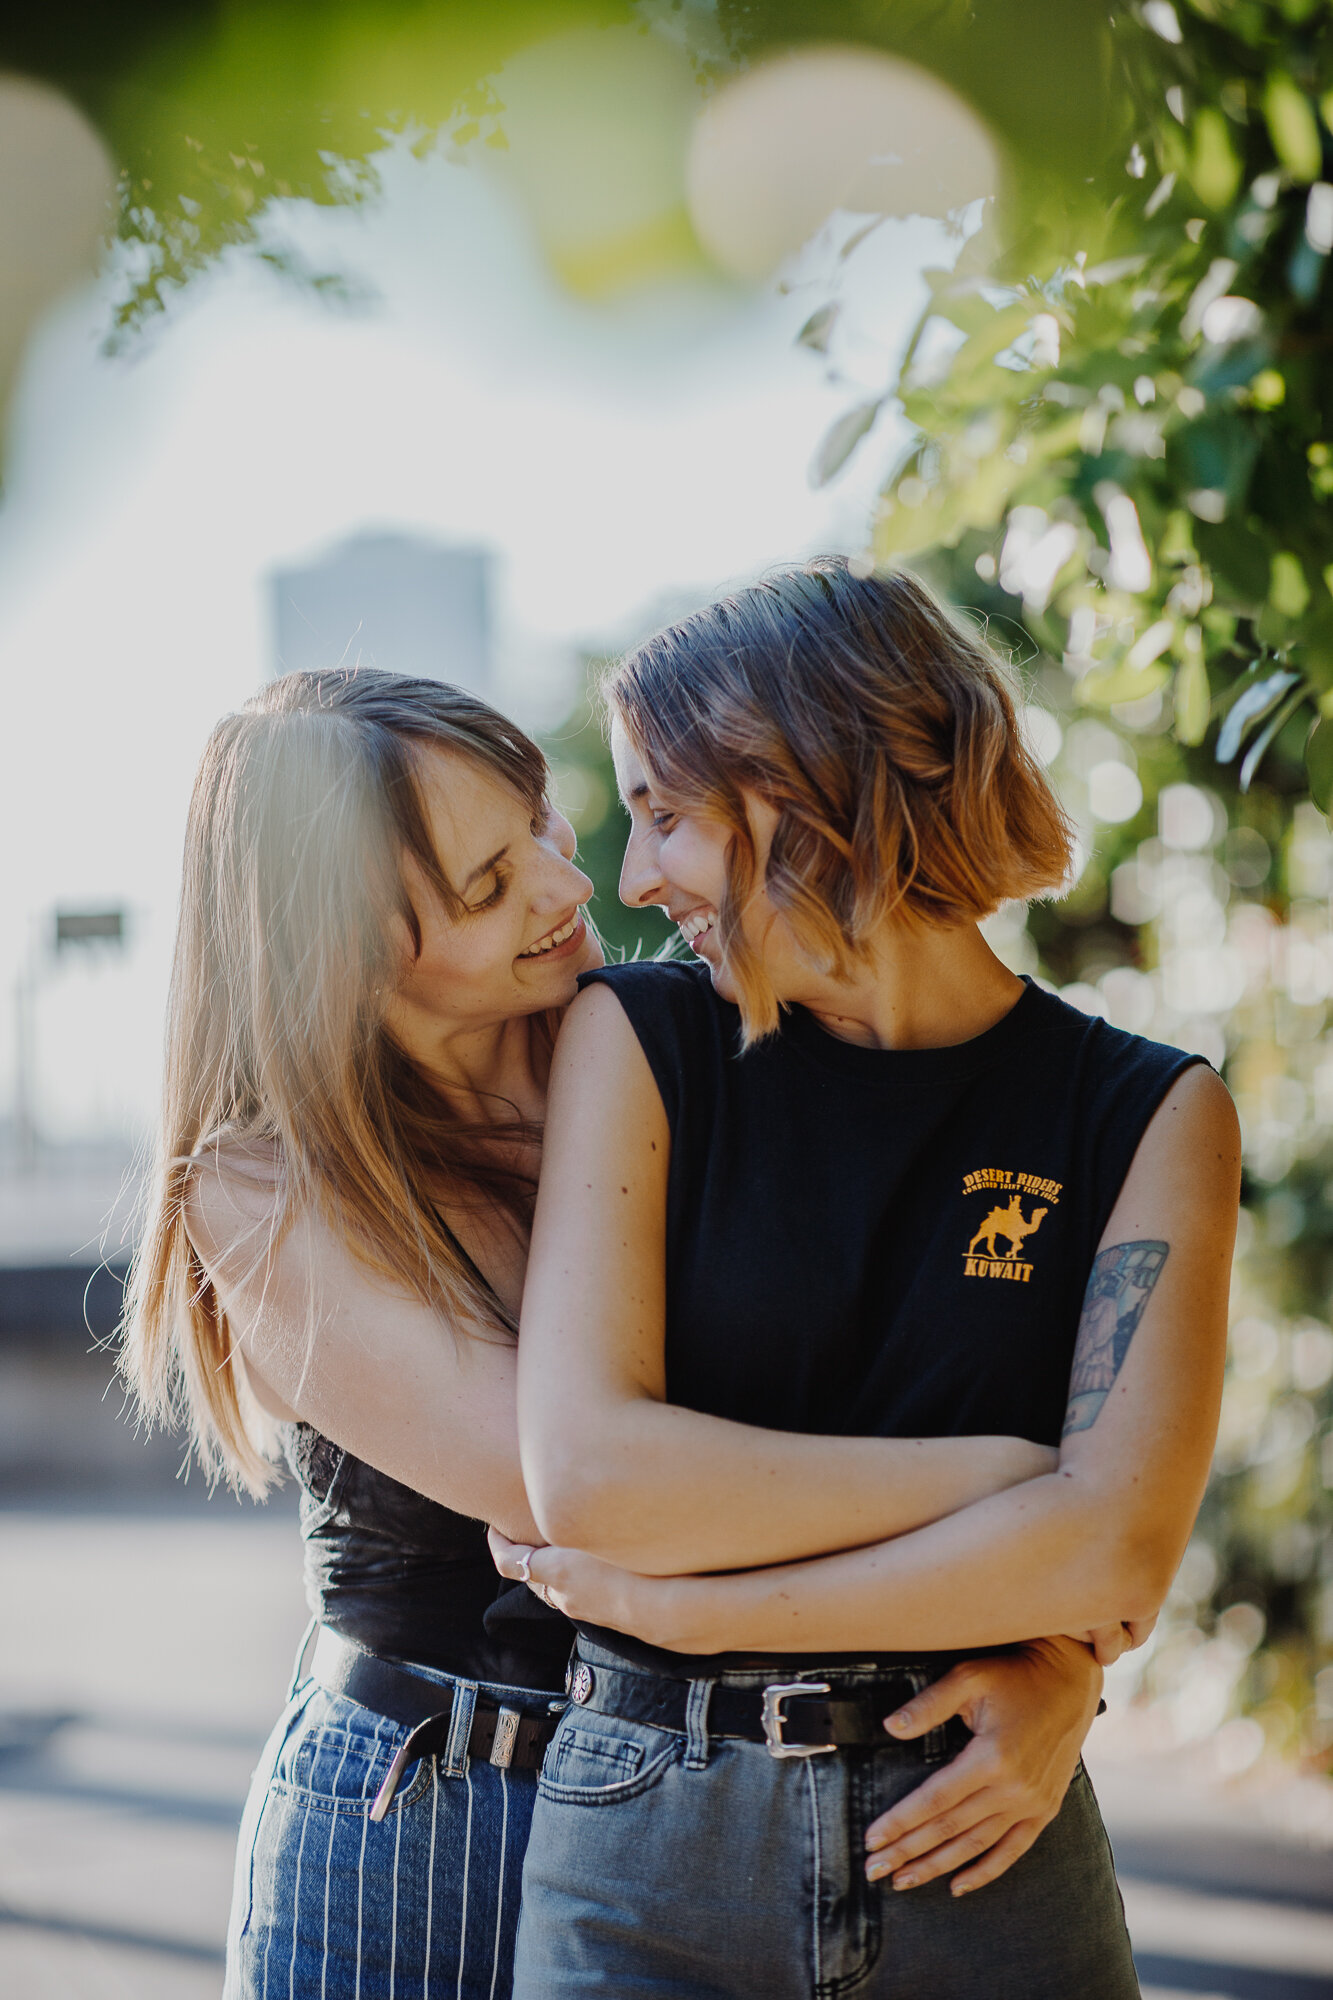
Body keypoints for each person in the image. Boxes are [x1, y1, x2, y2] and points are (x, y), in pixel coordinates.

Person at [120, 665, 1116, 2000]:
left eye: (536, 823)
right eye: (488, 885)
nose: (569, 882)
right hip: (434, 1822)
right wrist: (1030, 1502)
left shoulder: (696, 1042)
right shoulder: (265, 1187)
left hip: (728, 1800)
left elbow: (948, 1343)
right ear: (331, 948)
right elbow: (583, 1496)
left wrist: (1054, 1654)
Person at [498, 558, 1240, 1999]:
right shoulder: (638, 1040)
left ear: (802, 789)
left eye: (663, 815)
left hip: (980, 1841)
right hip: (644, 1845)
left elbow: (1111, 1559)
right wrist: (1020, 1479)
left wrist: (702, 1614)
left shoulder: (1149, 1113)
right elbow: (590, 1479)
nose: (636, 880)